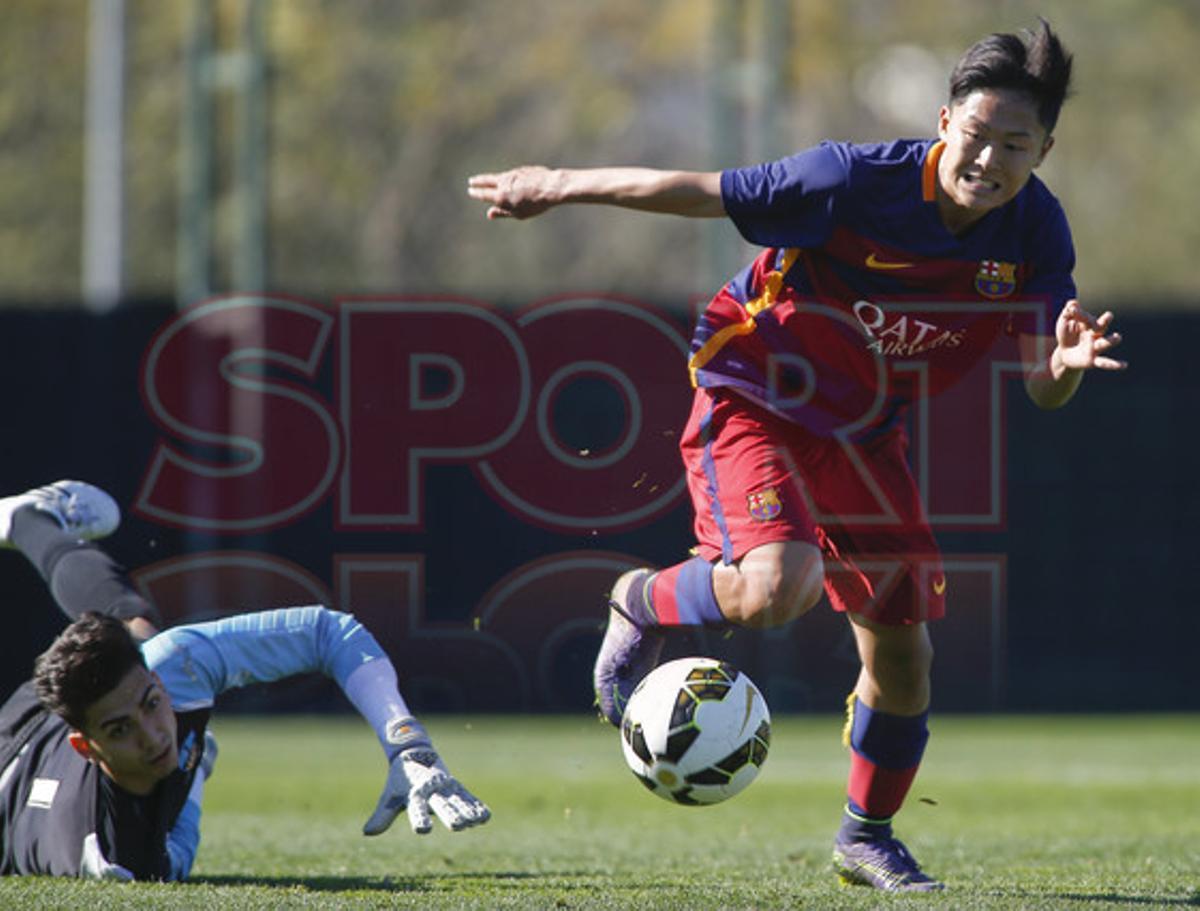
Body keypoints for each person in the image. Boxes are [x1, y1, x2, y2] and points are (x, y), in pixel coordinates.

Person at [468, 21, 1124, 891]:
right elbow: (701, 191)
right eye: (977, 134)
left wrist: (1064, 367)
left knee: (904, 657)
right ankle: (642, 598)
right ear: (943, 123)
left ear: (1043, 151)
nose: (989, 158)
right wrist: (557, 185)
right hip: (755, 390)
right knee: (778, 587)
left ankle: (867, 835)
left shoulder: (1036, 230)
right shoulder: (852, 180)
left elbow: (1042, 384)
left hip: (863, 431)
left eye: (1015, 144)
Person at [0, 480, 490, 881]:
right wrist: (194, 773)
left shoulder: (168, 670)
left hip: (80, 712)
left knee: (140, 634)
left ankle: (27, 520)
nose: (152, 736)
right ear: (86, 747)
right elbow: (176, 852)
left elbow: (330, 633)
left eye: (151, 704)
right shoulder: (115, 858)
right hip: (9, 781)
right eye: (123, 730)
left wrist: (407, 746)